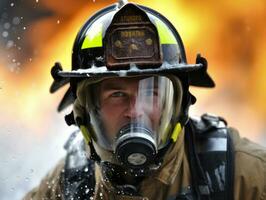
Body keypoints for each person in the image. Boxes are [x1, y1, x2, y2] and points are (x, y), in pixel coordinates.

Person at [24, 1, 266, 200]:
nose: (135, 111)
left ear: (178, 107)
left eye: (151, 93)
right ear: (85, 113)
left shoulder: (240, 174)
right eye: (117, 95)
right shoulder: (71, 183)